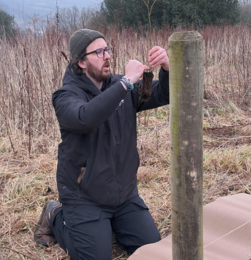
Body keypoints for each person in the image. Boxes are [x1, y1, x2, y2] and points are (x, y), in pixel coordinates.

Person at [34, 29, 170, 259]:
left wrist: (167, 68)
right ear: (82, 62)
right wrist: (126, 82)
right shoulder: (66, 97)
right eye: (99, 52)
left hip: (124, 195)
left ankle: (110, 225)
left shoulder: (119, 86)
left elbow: (162, 94)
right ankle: (55, 215)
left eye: (107, 49)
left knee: (153, 252)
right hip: (84, 198)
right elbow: (85, 117)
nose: (107, 55)